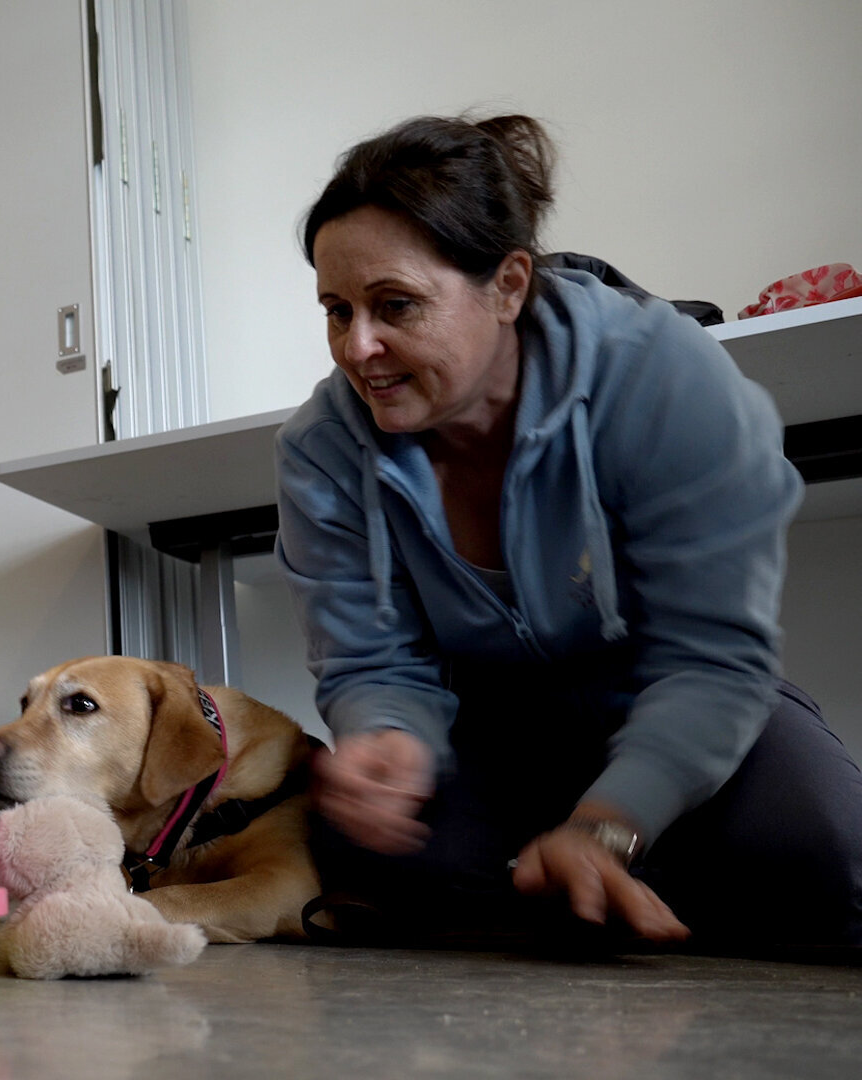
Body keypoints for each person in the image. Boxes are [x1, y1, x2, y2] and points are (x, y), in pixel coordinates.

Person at [275, 114, 862, 957]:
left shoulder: (665, 375)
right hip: (493, 734)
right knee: (356, 855)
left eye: (394, 305)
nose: (357, 348)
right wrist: (388, 738)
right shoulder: (320, 450)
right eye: (337, 310)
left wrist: (611, 822)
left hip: (673, 700)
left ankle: (602, 883)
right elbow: (373, 661)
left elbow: (714, 656)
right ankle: (625, 899)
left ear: (509, 285)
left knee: (828, 856)